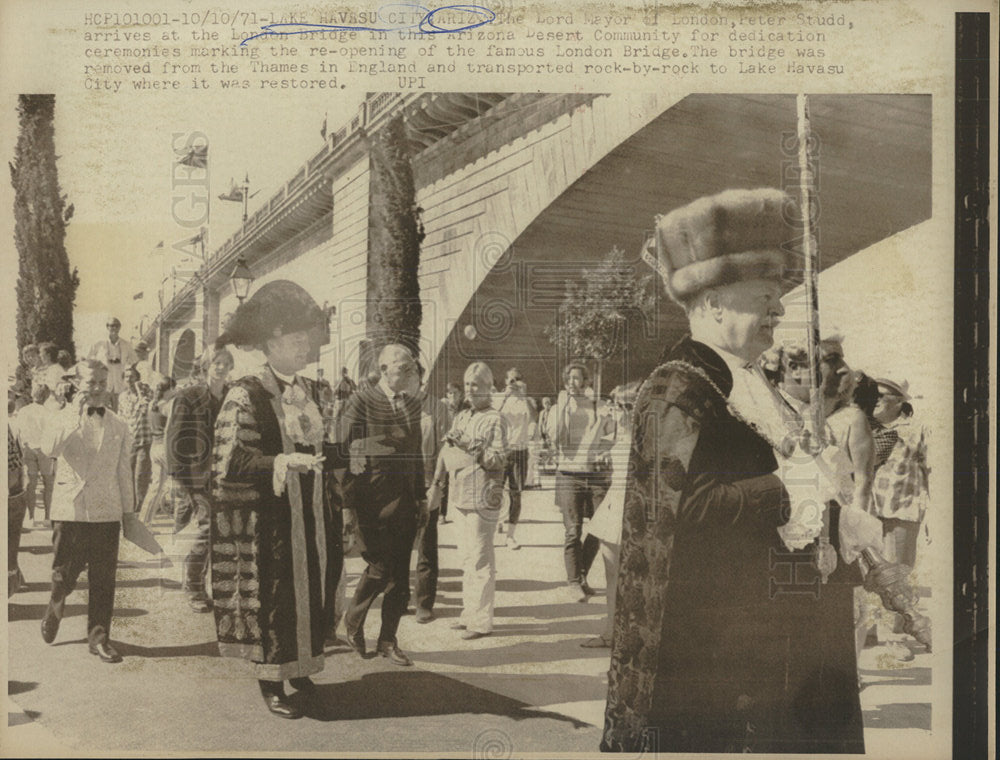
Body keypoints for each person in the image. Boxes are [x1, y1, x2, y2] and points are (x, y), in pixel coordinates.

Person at [603, 188, 866, 753]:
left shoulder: (749, 381)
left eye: (780, 299)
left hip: (771, 637)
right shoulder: (679, 387)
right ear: (715, 302)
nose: (778, 311)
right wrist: (787, 488)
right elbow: (686, 508)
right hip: (717, 650)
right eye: (765, 297)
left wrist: (835, 513)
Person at [211, 280, 338, 718]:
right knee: (276, 592)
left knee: (310, 588)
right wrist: (281, 462)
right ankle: (271, 680)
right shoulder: (245, 393)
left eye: (307, 338)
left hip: (310, 513)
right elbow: (230, 459)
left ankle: (302, 665)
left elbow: (320, 448)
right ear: (272, 343)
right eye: (297, 339)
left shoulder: (311, 391)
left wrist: (350, 454)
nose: (306, 346)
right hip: (270, 516)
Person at [336, 343, 427, 667]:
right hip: (370, 501)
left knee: (400, 579)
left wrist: (421, 496)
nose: (409, 373)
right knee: (378, 568)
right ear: (384, 368)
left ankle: (388, 639)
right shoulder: (360, 402)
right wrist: (347, 504)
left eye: (411, 368)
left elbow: (415, 453)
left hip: (404, 502)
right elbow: (342, 453)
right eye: (403, 368)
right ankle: (354, 621)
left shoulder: (411, 405)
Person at [38, 360, 135, 664]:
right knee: (64, 573)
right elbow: (49, 449)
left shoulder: (119, 424)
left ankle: (99, 638)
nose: (96, 390)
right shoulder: (62, 417)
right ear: (77, 384)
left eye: (101, 384)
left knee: (104, 577)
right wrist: (71, 415)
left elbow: (124, 471)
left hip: (106, 511)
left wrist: (129, 513)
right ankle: (56, 603)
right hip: (71, 508)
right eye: (90, 382)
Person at [429, 362, 508, 639]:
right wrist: (438, 482)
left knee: (480, 559)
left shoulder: (495, 419)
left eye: (476, 385)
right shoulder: (462, 415)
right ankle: (468, 613)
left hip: (483, 494)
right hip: (460, 493)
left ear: (489, 387)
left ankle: (481, 621)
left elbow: (498, 460)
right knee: (466, 558)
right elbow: (447, 452)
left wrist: (469, 445)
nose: (470, 390)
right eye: (467, 385)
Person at [166, 348, 234, 612]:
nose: (221, 368)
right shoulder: (189, 396)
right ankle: (193, 585)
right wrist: (175, 477)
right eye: (217, 363)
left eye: (226, 364)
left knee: (219, 531)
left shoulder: (231, 397)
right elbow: (175, 436)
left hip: (226, 475)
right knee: (206, 529)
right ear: (206, 366)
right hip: (195, 475)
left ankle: (209, 586)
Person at [547, 362, 615, 602]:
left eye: (577, 378)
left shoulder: (598, 406)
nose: (572, 383)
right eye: (569, 379)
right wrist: (564, 408)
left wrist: (603, 450)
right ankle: (574, 582)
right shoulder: (558, 408)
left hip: (596, 474)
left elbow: (610, 437)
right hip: (568, 473)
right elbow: (555, 439)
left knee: (599, 529)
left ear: (586, 381)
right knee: (572, 530)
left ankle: (582, 573)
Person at [580, 382, 638, 648]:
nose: (614, 410)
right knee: (612, 575)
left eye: (619, 406)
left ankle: (627, 633)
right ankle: (611, 632)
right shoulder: (620, 434)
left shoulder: (642, 438)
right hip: (615, 505)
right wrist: (600, 420)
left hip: (632, 507)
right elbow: (586, 454)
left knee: (633, 575)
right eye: (613, 405)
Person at [496, 368, 533, 550]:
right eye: (511, 379)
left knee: (516, 493)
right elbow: (491, 416)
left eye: (518, 379)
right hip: (502, 450)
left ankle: (511, 536)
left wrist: (525, 396)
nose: (514, 383)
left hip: (520, 451)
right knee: (495, 491)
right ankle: (497, 521)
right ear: (505, 381)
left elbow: (534, 418)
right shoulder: (499, 398)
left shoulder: (527, 401)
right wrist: (504, 396)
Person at [12, 383, 57, 525]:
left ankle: (31, 517)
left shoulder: (24, 411)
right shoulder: (49, 412)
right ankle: (48, 517)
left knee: (31, 484)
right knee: (48, 484)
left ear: (33, 394)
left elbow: (18, 432)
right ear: (47, 396)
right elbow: (52, 434)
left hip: (28, 449)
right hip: (45, 450)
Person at [138, 376, 176, 523]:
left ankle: (144, 521)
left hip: (154, 447)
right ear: (170, 389)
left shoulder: (152, 405)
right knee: (182, 485)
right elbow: (171, 429)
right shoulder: (168, 406)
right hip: (165, 447)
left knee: (156, 487)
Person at [119, 366, 153, 509]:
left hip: (144, 440)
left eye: (132, 377)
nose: (129, 380)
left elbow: (146, 407)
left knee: (140, 476)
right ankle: (130, 507)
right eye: (126, 377)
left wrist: (139, 391)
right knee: (128, 476)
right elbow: (121, 418)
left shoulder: (146, 392)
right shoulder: (122, 397)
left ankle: (140, 508)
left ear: (137, 378)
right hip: (129, 441)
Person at [88, 317, 138, 411]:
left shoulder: (126, 344)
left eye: (116, 326)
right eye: (111, 326)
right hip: (104, 385)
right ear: (107, 327)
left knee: (119, 412)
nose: (114, 328)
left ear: (119, 328)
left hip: (120, 385)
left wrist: (128, 373)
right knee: (102, 411)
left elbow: (135, 361)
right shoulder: (99, 343)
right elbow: (89, 360)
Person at [437, 381, 464, 524]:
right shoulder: (443, 406)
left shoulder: (465, 407)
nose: (452, 395)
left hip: (461, 446)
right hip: (446, 445)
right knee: (444, 480)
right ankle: (442, 513)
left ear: (460, 394)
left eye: (455, 392)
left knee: (462, 478)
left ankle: (462, 511)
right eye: (449, 393)